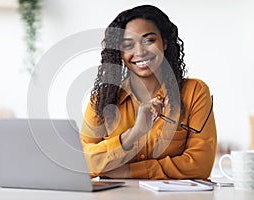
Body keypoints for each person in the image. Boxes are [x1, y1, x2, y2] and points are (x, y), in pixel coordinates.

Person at [80, 5, 217, 179]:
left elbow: (200, 165)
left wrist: (128, 171)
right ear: (120, 53)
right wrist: (133, 134)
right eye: (128, 45)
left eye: (149, 40)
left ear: (165, 43)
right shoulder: (102, 100)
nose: (140, 52)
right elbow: (82, 161)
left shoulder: (195, 92)